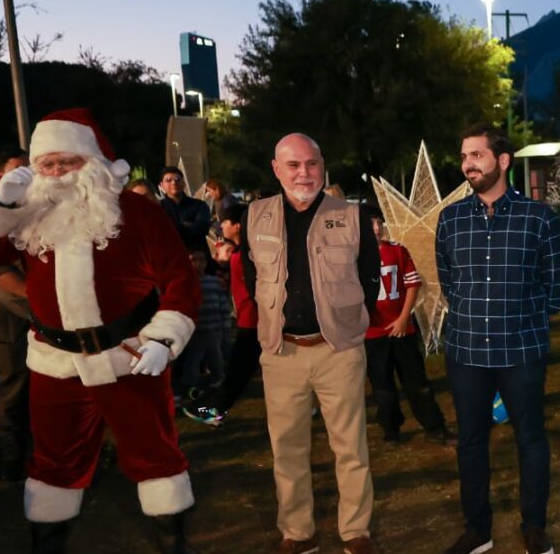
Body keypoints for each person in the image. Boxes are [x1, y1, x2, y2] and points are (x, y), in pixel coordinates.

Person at [0, 108, 201, 553]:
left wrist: (163, 341)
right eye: (47, 165)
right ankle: (47, 545)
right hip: (56, 363)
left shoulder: (137, 213)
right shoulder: (28, 210)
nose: (57, 174)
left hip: (129, 357)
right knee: (54, 464)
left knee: (156, 457)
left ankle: (174, 544)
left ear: (92, 162)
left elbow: (181, 282)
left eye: (66, 162)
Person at [242, 133, 380, 554]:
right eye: (294, 165)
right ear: (276, 168)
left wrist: (349, 324)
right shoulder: (255, 215)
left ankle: (356, 531)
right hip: (281, 352)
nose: (304, 173)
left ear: (323, 165)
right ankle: (297, 532)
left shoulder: (351, 215)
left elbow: (370, 278)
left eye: (312, 164)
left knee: (350, 446)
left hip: (337, 350)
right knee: (286, 448)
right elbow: (252, 279)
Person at [437, 123, 560, 554]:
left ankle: (534, 525)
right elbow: (448, 281)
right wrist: (476, 314)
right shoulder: (451, 218)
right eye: (464, 156)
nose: (468, 164)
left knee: (530, 439)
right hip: (467, 350)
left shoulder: (540, 218)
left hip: (522, 351)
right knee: (471, 441)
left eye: (476, 155)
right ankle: (478, 528)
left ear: (503, 161)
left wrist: (525, 318)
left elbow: (557, 288)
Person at [365, 213, 453, 444]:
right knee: (382, 385)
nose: (377, 228)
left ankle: (435, 426)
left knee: (417, 382)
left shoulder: (397, 250)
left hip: (402, 330)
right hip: (373, 333)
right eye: (371, 223)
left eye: (380, 223)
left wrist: (404, 318)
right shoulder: (353, 257)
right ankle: (390, 427)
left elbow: (412, 283)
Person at [0, 148, 34, 478]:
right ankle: (12, 449)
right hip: (13, 309)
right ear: (0, 176)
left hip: (53, 312)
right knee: (15, 380)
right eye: (18, 170)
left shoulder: (38, 206)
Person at [184, 204, 258, 427]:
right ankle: (204, 410)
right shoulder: (242, 253)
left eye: (225, 222)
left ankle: (210, 412)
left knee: (237, 375)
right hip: (252, 321)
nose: (221, 226)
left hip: (253, 321)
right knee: (238, 375)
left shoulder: (245, 253)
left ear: (237, 226)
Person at [176, 251, 228, 399]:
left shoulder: (214, 282)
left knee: (215, 355)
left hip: (214, 328)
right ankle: (190, 382)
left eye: (201, 261)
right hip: (195, 330)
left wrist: (225, 324)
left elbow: (223, 304)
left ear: (205, 263)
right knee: (193, 358)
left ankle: (219, 378)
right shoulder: (185, 283)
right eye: (193, 260)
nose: (197, 264)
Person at [159, 166, 213, 258]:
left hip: (197, 257)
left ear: (183, 183)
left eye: (177, 179)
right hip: (169, 256)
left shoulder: (199, 205)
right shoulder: (158, 207)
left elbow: (203, 228)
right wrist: (187, 225)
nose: (173, 182)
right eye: (168, 180)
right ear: (161, 185)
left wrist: (174, 227)